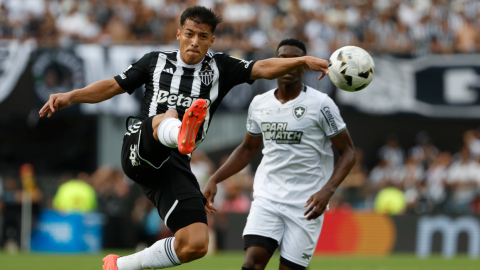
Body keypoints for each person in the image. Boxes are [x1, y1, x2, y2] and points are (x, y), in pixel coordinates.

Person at [38, 6, 329, 270]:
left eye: (203, 36)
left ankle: (119, 266)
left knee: (195, 243)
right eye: (189, 34)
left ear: (212, 40)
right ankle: (179, 130)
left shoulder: (221, 67)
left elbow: (263, 67)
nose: (195, 41)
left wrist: (301, 60)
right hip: (140, 148)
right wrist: (70, 96)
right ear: (178, 34)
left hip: (174, 164)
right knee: (170, 115)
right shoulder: (154, 62)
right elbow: (111, 86)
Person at [203, 39, 355, 270]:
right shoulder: (259, 103)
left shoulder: (321, 104)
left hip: (306, 204)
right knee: (251, 264)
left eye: (295, 59)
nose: (287, 64)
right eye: (282, 58)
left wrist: (328, 191)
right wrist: (215, 178)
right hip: (268, 198)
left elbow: (348, 152)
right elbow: (247, 149)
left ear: (303, 67)